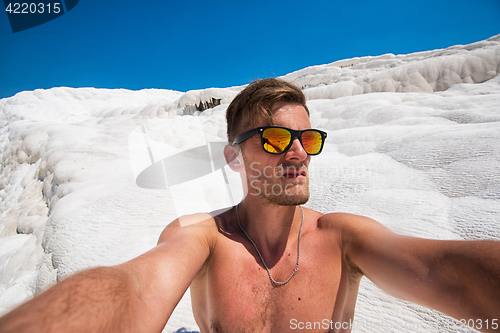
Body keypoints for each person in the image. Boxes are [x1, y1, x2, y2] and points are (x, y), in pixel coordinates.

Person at [0, 78, 499, 333]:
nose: (298, 151)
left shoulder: (344, 238)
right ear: (234, 156)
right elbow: (133, 289)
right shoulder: (203, 238)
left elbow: (450, 273)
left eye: (307, 138)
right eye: (277, 137)